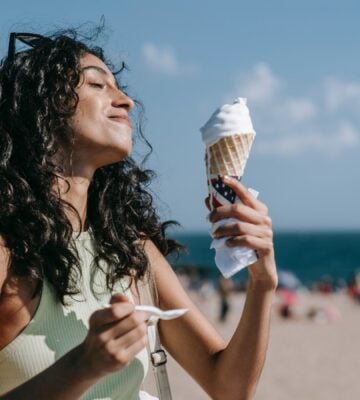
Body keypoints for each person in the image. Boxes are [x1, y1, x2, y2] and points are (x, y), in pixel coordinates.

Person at [0, 28, 278, 400]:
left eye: (119, 87)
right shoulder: (8, 249)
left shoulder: (129, 250)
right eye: (98, 86)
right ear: (41, 108)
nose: (126, 101)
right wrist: (82, 366)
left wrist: (262, 283)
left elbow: (230, 386)